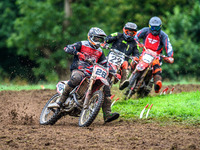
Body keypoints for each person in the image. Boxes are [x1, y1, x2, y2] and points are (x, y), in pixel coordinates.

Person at [50, 27, 119, 123]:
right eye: (96, 38)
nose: (98, 41)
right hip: (79, 69)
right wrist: (78, 53)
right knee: (77, 78)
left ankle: (107, 114)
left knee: (106, 86)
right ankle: (60, 101)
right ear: (90, 37)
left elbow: (105, 64)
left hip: (92, 73)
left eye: (100, 39)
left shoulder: (100, 51)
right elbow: (67, 48)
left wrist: (115, 73)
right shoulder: (82, 44)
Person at [134, 16, 174, 93]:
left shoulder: (163, 35)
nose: (154, 30)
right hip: (144, 53)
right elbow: (135, 35)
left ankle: (157, 85)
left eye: (157, 28)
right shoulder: (145, 31)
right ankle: (129, 77)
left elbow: (168, 46)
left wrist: (170, 56)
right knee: (134, 61)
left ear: (160, 27)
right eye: (152, 28)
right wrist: (137, 42)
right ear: (149, 26)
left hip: (156, 56)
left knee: (157, 68)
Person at [105, 22, 140, 90]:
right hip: (112, 55)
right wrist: (105, 43)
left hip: (123, 60)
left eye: (131, 33)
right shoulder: (118, 35)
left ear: (134, 34)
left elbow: (136, 52)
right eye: (127, 32)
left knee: (126, 64)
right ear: (124, 30)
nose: (129, 34)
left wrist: (135, 57)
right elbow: (108, 38)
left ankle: (122, 82)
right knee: (102, 60)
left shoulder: (135, 43)